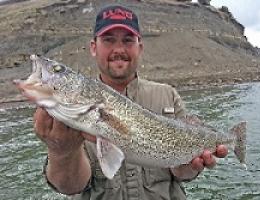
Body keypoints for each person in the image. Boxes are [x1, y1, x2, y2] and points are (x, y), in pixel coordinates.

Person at [33, 4, 228, 200]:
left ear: (140, 47)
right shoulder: (71, 110)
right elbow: (71, 187)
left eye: (128, 40)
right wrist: (61, 152)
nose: (119, 49)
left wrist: (188, 169)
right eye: (108, 40)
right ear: (93, 47)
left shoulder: (168, 95)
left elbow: (180, 173)